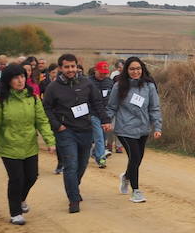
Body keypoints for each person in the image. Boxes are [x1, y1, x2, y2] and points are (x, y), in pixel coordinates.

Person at [0, 64, 56, 225]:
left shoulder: (32, 97)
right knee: (16, 179)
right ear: (8, 81)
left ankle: (21, 199)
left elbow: (42, 120)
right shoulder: (0, 101)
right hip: (9, 147)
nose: (20, 80)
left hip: (29, 145)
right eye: (16, 77)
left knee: (32, 176)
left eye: (22, 76)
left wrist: (50, 140)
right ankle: (15, 212)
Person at [42, 53, 111, 213]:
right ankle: (73, 199)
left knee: (82, 165)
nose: (70, 69)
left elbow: (97, 102)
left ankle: (73, 187)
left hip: (85, 130)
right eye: (67, 67)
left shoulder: (86, 83)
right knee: (71, 165)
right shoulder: (53, 87)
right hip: (66, 131)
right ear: (60, 68)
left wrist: (105, 119)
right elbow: (46, 108)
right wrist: (57, 126)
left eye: (73, 66)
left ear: (76, 66)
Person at [106, 57, 162, 203]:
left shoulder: (149, 86)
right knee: (135, 157)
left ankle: (126, 177)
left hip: (143, 129)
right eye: (132, 69)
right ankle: (136, 191)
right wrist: (106, 121)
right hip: (125, 129)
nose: (135, 71)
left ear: (142, 69)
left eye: (138, 68)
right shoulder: (119, 86)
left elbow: (154, 108)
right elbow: (111, 107)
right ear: (127, 70)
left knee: (137, 159)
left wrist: (157, 126)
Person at [89, 61, 114, 168]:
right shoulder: (88, 82)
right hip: (93, 113)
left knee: (103, 136)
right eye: (101, 73)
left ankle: (95, 153)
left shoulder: (109, 82)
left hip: (106, 114)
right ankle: (101, 158)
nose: (103, 75)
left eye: (105, 73)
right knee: (98, 136)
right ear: (95, 70)